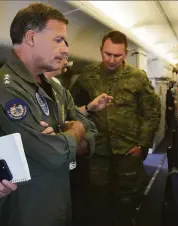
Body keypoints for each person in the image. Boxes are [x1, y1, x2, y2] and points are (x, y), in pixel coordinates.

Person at [0, 3, 97, 226]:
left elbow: (92, 134)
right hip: (27, 210)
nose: (65, 49)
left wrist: (69, 136)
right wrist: (76, 130)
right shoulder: (7, 88)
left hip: (59, 201)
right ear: (31, 38)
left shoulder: (53, 87)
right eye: (58, 40)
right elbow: (53, 154)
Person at [70, 30, 161, 226]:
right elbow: (72, 107)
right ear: (101, 50)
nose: (111, 60)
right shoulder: (88, 75)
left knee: (126, 198)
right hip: (98, 149)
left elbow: (151, 113)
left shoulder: (138, 77)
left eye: (117, 55)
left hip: (128, 149)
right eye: (107, 54)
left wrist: (142, 145)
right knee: (97, 196)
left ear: (125, 54)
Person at [44, 42, 113, 226]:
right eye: (63, 57)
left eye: (67, 58)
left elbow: (70, 114)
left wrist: (89, 108)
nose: (66, 63)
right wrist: (74, 129)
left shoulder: (57, 85)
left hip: (66, 158)